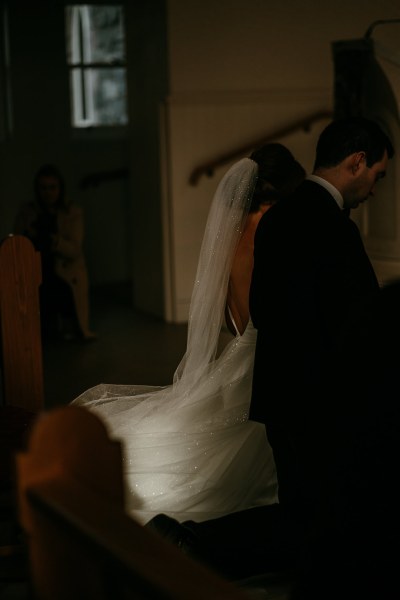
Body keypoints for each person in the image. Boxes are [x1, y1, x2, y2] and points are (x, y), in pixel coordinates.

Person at [146, 117, 396, 591]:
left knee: (303, 510)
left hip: (280, 394)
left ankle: (193, 544)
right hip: (324, 403)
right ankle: (194, 544)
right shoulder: (335, 227)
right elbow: (358, 325)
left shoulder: (278, 217)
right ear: (357, 161)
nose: (375, 189)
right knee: (318, 517)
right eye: (378, 175)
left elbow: (261, 305)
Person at [72, 144, 306, 525]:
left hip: (239, 348)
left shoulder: (231, 234)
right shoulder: (264, 232)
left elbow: (235, 319)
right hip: (257, 354)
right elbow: (259, 315)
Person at [14, 164, 95, 341]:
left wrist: (53, 240)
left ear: (60, 188)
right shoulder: (28, 212)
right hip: (37, 270)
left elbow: (74, 249)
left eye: (52, 187)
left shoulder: (71, 212)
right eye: (43, 187)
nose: (48, 192)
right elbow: (17, 245)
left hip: (65, 274)